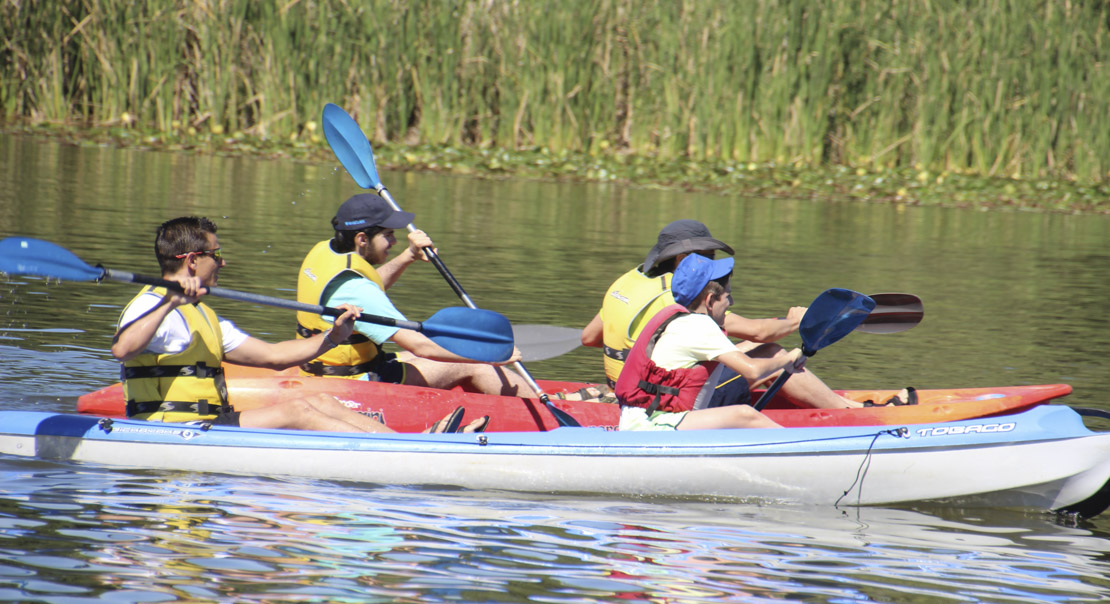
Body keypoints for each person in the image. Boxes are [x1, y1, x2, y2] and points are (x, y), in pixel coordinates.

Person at [112, 216, 485, 434]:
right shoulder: (149, 304)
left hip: (211, 421)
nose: (222, 264)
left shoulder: (204, 315)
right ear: (192, 261)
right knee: (299, 412)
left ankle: (413, 447)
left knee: (319, 400)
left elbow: (274, 356)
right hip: (165, 430)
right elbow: (123, 349)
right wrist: (170, 299)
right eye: (216, 255)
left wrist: (331, 337)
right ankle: (408, 453)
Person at [297, 193, 600, 400]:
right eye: (388, 235)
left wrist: (407, 257)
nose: (393, 241)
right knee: (473, 363)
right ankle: (556, 406)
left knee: (434, 354)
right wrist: (490, 356)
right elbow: (419, 344)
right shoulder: (356, 286)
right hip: (353, 386)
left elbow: (368, 292)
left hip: (325, 371)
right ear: (362, 239)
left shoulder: (325, 252)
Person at [582, 219, 906, 409]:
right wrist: (797, 321)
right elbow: (758, 334)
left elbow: (590, 338)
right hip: (664, 396)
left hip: (630, 382)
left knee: (742, 354)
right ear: (682, 259)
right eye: (706, 256)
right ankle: (849, 411)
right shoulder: (678, 299)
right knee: (770, 353)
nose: (711, 263)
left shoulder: (627, 279)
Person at [615, 254, 795, 430]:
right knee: (745, 414)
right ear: (709, 300)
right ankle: (799, 448)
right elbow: (753, 371)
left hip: (641, 420)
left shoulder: (679, 320)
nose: (731, 302)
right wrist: (790, 358)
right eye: (728, 296)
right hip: (651, 426)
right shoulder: (699, 325)